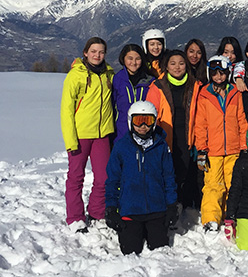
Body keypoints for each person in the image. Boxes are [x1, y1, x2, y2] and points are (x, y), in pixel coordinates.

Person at [105, 101, 179, 255]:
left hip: (156, 210)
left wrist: (172, 206)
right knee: (131, 250)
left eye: (148, 120)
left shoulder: (161, 146)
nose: (143, 126)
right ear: (130, 121)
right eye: (139, 121)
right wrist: (111, 208)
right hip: (131, 210)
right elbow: (112, 180)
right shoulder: (121, 147)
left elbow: (169, 177)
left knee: (159, 249)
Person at [60, 37, 115, 233]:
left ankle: (96, 212)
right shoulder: (76, 76)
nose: (97, 55)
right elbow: (66, 110)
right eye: (93, 51)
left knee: (104, 177)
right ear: (85, 53)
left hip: (102, 134)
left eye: (101, 52)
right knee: (76, 177)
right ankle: (75, 218)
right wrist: (70, 140)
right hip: (81, 135)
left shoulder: (108, 73)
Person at [194, 55, 248, 231]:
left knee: (233, 183)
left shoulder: (234, 93)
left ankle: (230, 214)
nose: (219, 77)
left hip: (233, 149)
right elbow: (200, 125)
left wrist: (244, 147)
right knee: (213, 186)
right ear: (210, 74)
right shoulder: (204, 95)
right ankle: (211, 218)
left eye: (223, 73)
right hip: (213, 151)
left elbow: (242, 121)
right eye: (215, 73)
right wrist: (201, 149)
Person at [146, 50, 202, 211]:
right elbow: (151, 113)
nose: (177, 67)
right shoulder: (158, 86)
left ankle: (181, 205)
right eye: (173, 63)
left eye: (181, 63)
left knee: (183, 172)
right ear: (167, 66)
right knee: (167, 173)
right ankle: (167, 206)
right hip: (164, 137)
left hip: (187, 137)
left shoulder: (195, 86)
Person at [112, 43, 155, 142]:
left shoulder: (150, 81)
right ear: (123, 59)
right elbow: (112, 106)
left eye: (138, 59)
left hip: (145, 131)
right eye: (130, 58)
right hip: (121, 132)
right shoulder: (117, 79)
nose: (134, 62)